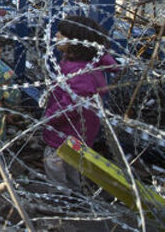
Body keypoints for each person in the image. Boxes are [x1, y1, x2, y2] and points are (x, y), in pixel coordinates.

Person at [42, 15, 119, 189]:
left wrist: (50, 116)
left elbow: (73, 103)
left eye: (62, 34)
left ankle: (60, 194)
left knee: (54, 160)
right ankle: (74, 194)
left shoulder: (80, 72)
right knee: (71, 163)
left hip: (68, 130)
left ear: (76, 42)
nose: (57, 36)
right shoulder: (84, 64)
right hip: (77, 130)